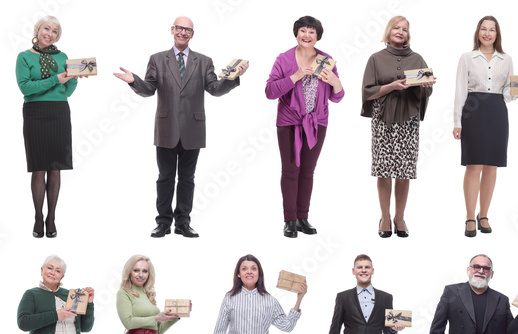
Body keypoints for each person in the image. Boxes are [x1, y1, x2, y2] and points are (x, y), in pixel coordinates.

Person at [114, 17, 247, 238]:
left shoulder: (204, 61)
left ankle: (183, 223)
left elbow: (214, 88)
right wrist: (133, 81)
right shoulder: (157, 59)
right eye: (179, 28)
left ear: (192, 34)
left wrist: (234, 78)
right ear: (172, 30)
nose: (183, 32)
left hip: (193, 129)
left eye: (188, 30)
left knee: (187, 179)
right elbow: (148, 89)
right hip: (166, 128)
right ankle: (163, 223)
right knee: (165, 177)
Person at [265, 15, 344, 238]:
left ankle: (303, 218)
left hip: (317, 122)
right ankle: (289, 220)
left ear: (317, 36)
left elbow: (337, 97)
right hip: (290, 122)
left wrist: (335, 83)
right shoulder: (284, 59)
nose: (306, 35)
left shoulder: (326, 60)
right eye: (303, 31)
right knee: (291, 171)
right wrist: (297, 75)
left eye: (311, 32)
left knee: (307, 172)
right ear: (296, 33)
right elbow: (270, 92)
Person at [453, 16, 518, 237]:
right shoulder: (467, 58)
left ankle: (483, 214)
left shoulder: (506, 59)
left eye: (492, 30)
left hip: (496, 111)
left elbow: (507, 91)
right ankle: (469, 216)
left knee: (492, 166)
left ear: (498, 34)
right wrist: (457, 121)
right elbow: (460, 91)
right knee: (473, 165)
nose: (487, 33)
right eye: (483, 29)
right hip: (473, 112)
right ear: (478, 32)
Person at [361, 16, 435, 238]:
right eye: (396, 27)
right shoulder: (375, 58)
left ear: (408, 35)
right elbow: (367, 91)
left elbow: (426, 91)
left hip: (408, 118)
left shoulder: (418, 58)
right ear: (389, 30)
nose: (400, 31)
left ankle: (399, 217)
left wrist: (424, 86)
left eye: (405, 29)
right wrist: (390, 86)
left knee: (403, 171)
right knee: (383, 170)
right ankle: (385, 217)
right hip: (383, 118)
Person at [17, 16, 85, 238]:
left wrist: (72, 79)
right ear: (38, 30)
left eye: (55, 31)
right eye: (46, 28)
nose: (50, 33)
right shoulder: (24, 56)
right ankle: (38, 216)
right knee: (38, 167)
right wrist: (56, 80)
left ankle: (51, 217)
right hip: (35, 112)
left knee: (55, 167)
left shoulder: (64, 56)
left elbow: (69, 85)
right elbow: (26, 88)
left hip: (59, 111)